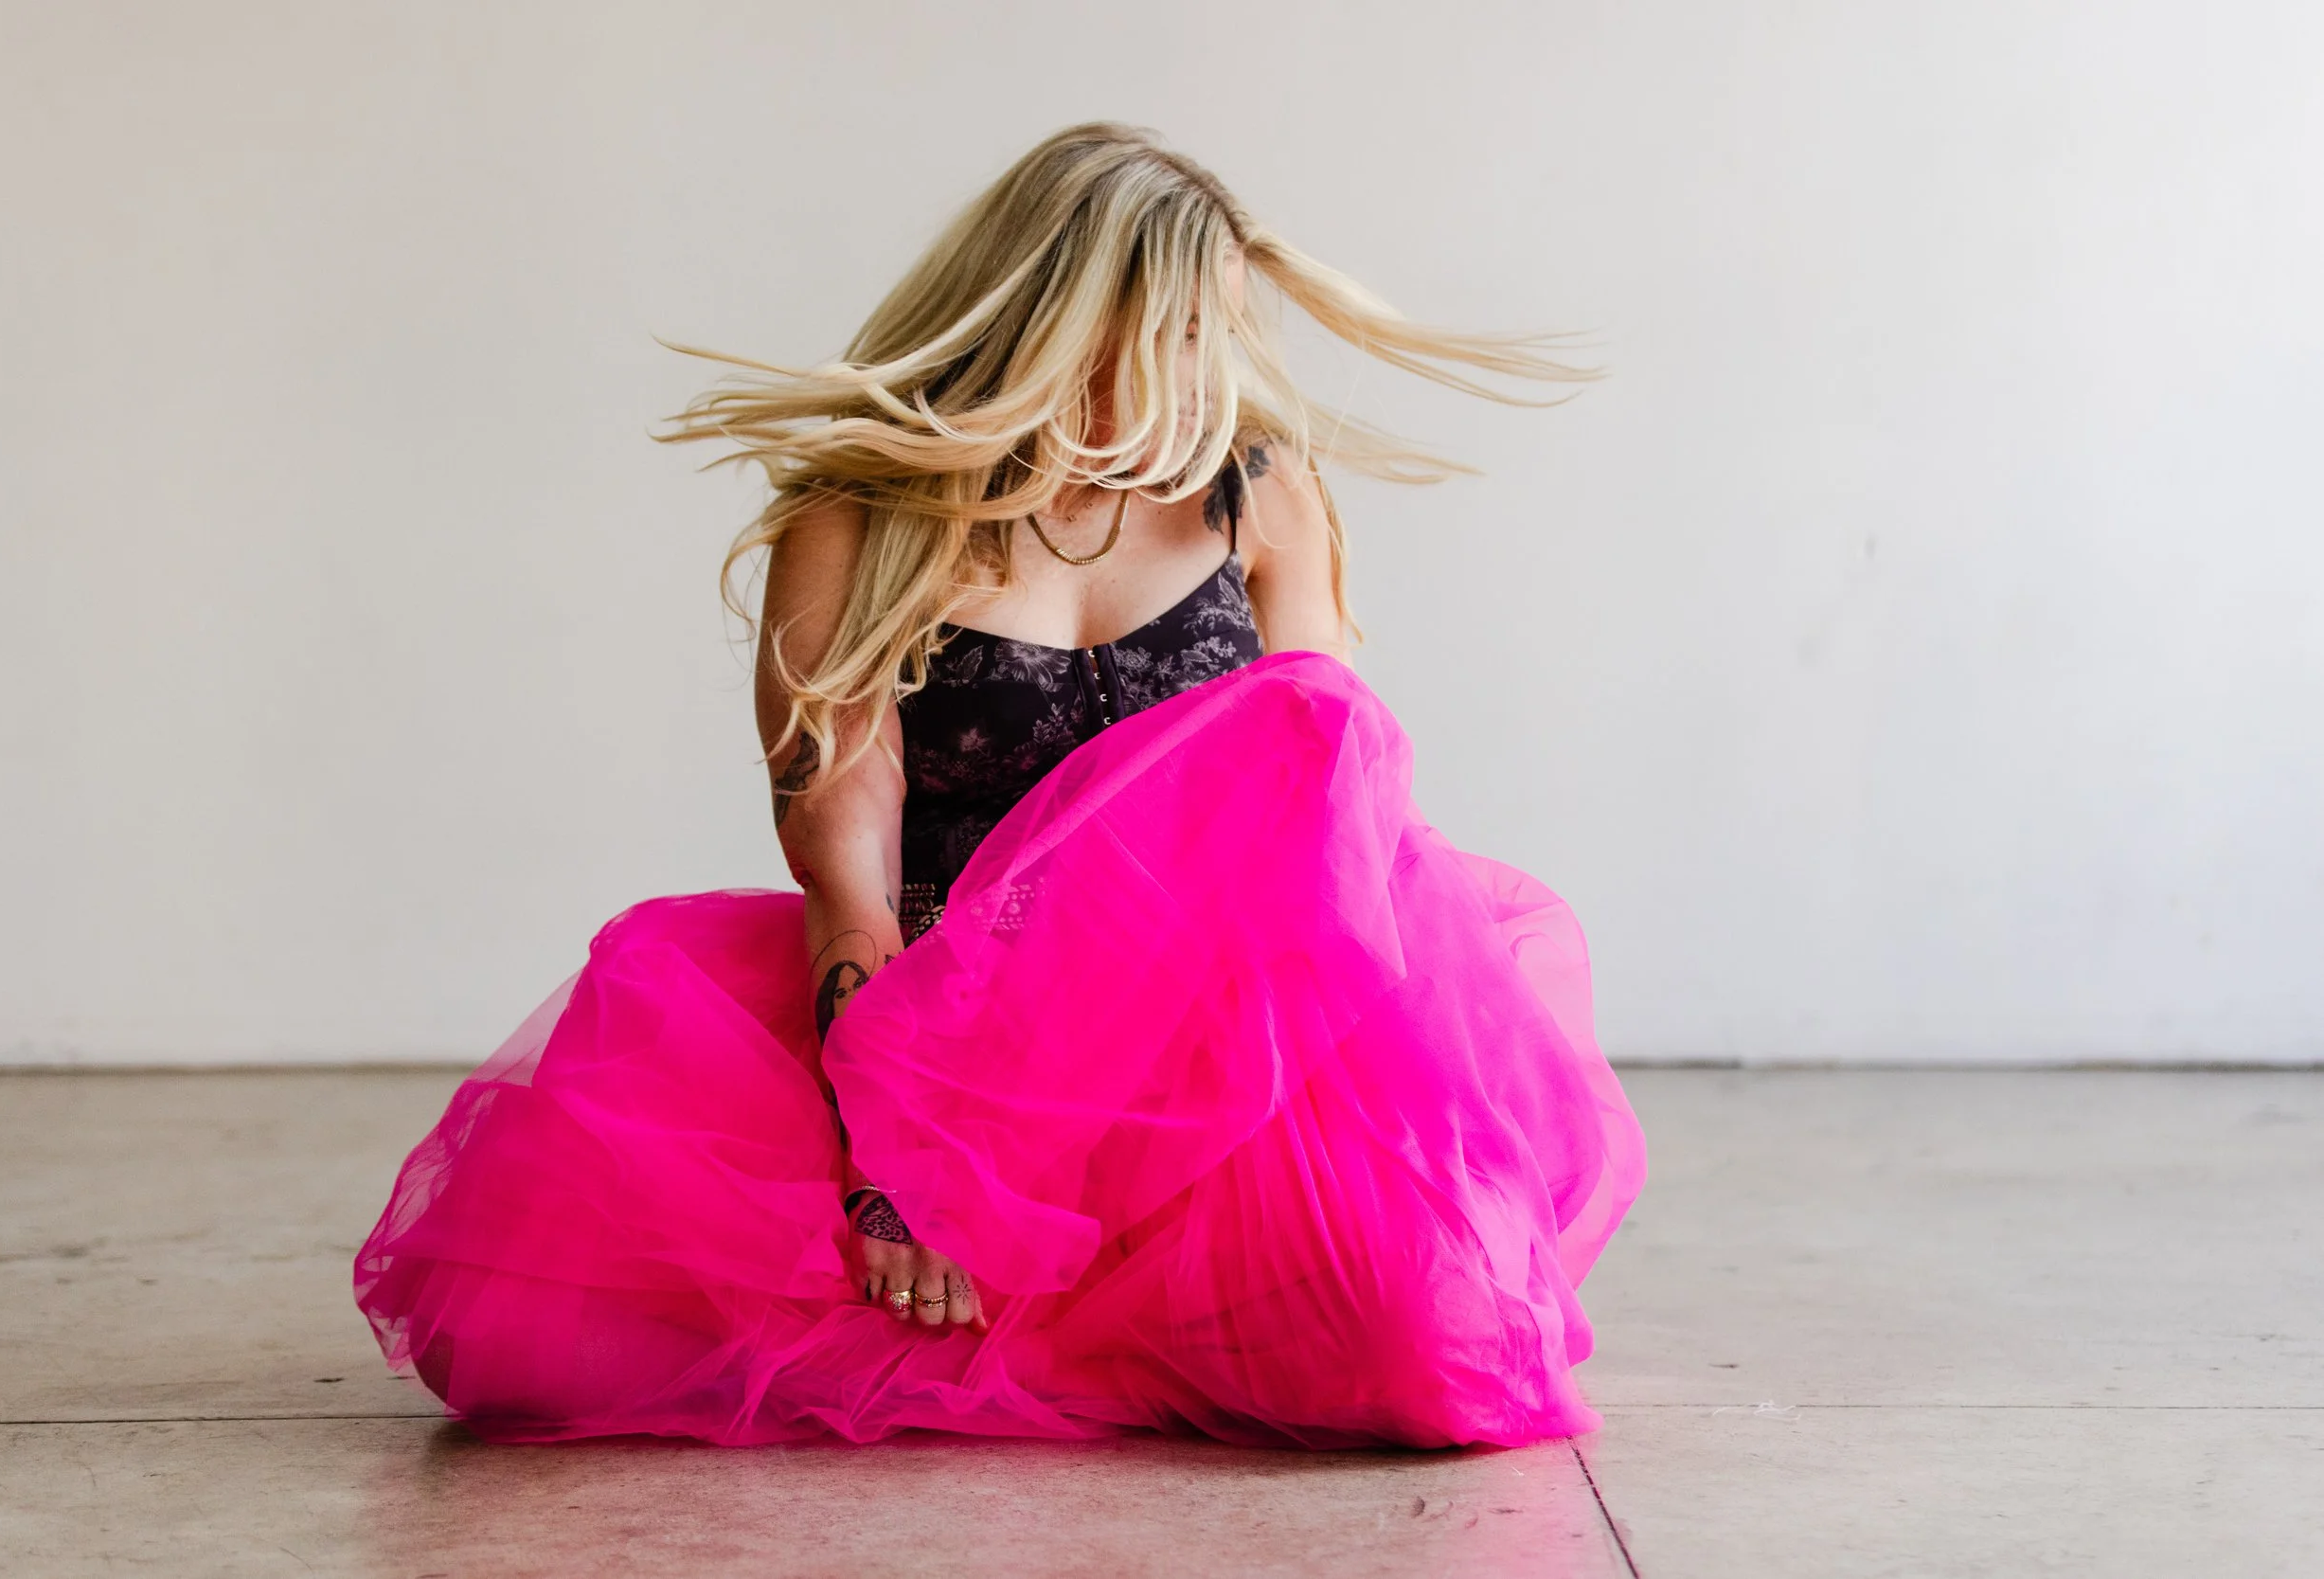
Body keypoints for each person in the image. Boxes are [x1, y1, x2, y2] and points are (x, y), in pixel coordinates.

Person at [353, 122, 1645, 1450]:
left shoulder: (1257, 491)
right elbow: (844, 879)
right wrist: (898, 1171)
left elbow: (1330, 830)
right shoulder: (856, 523)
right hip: (945, 1033)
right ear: (1058, 314)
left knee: (1446, 1349)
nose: (1207, 376)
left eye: (1222, 335)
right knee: (524, 1326)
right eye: (1176, 333)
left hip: (1206, 1043)